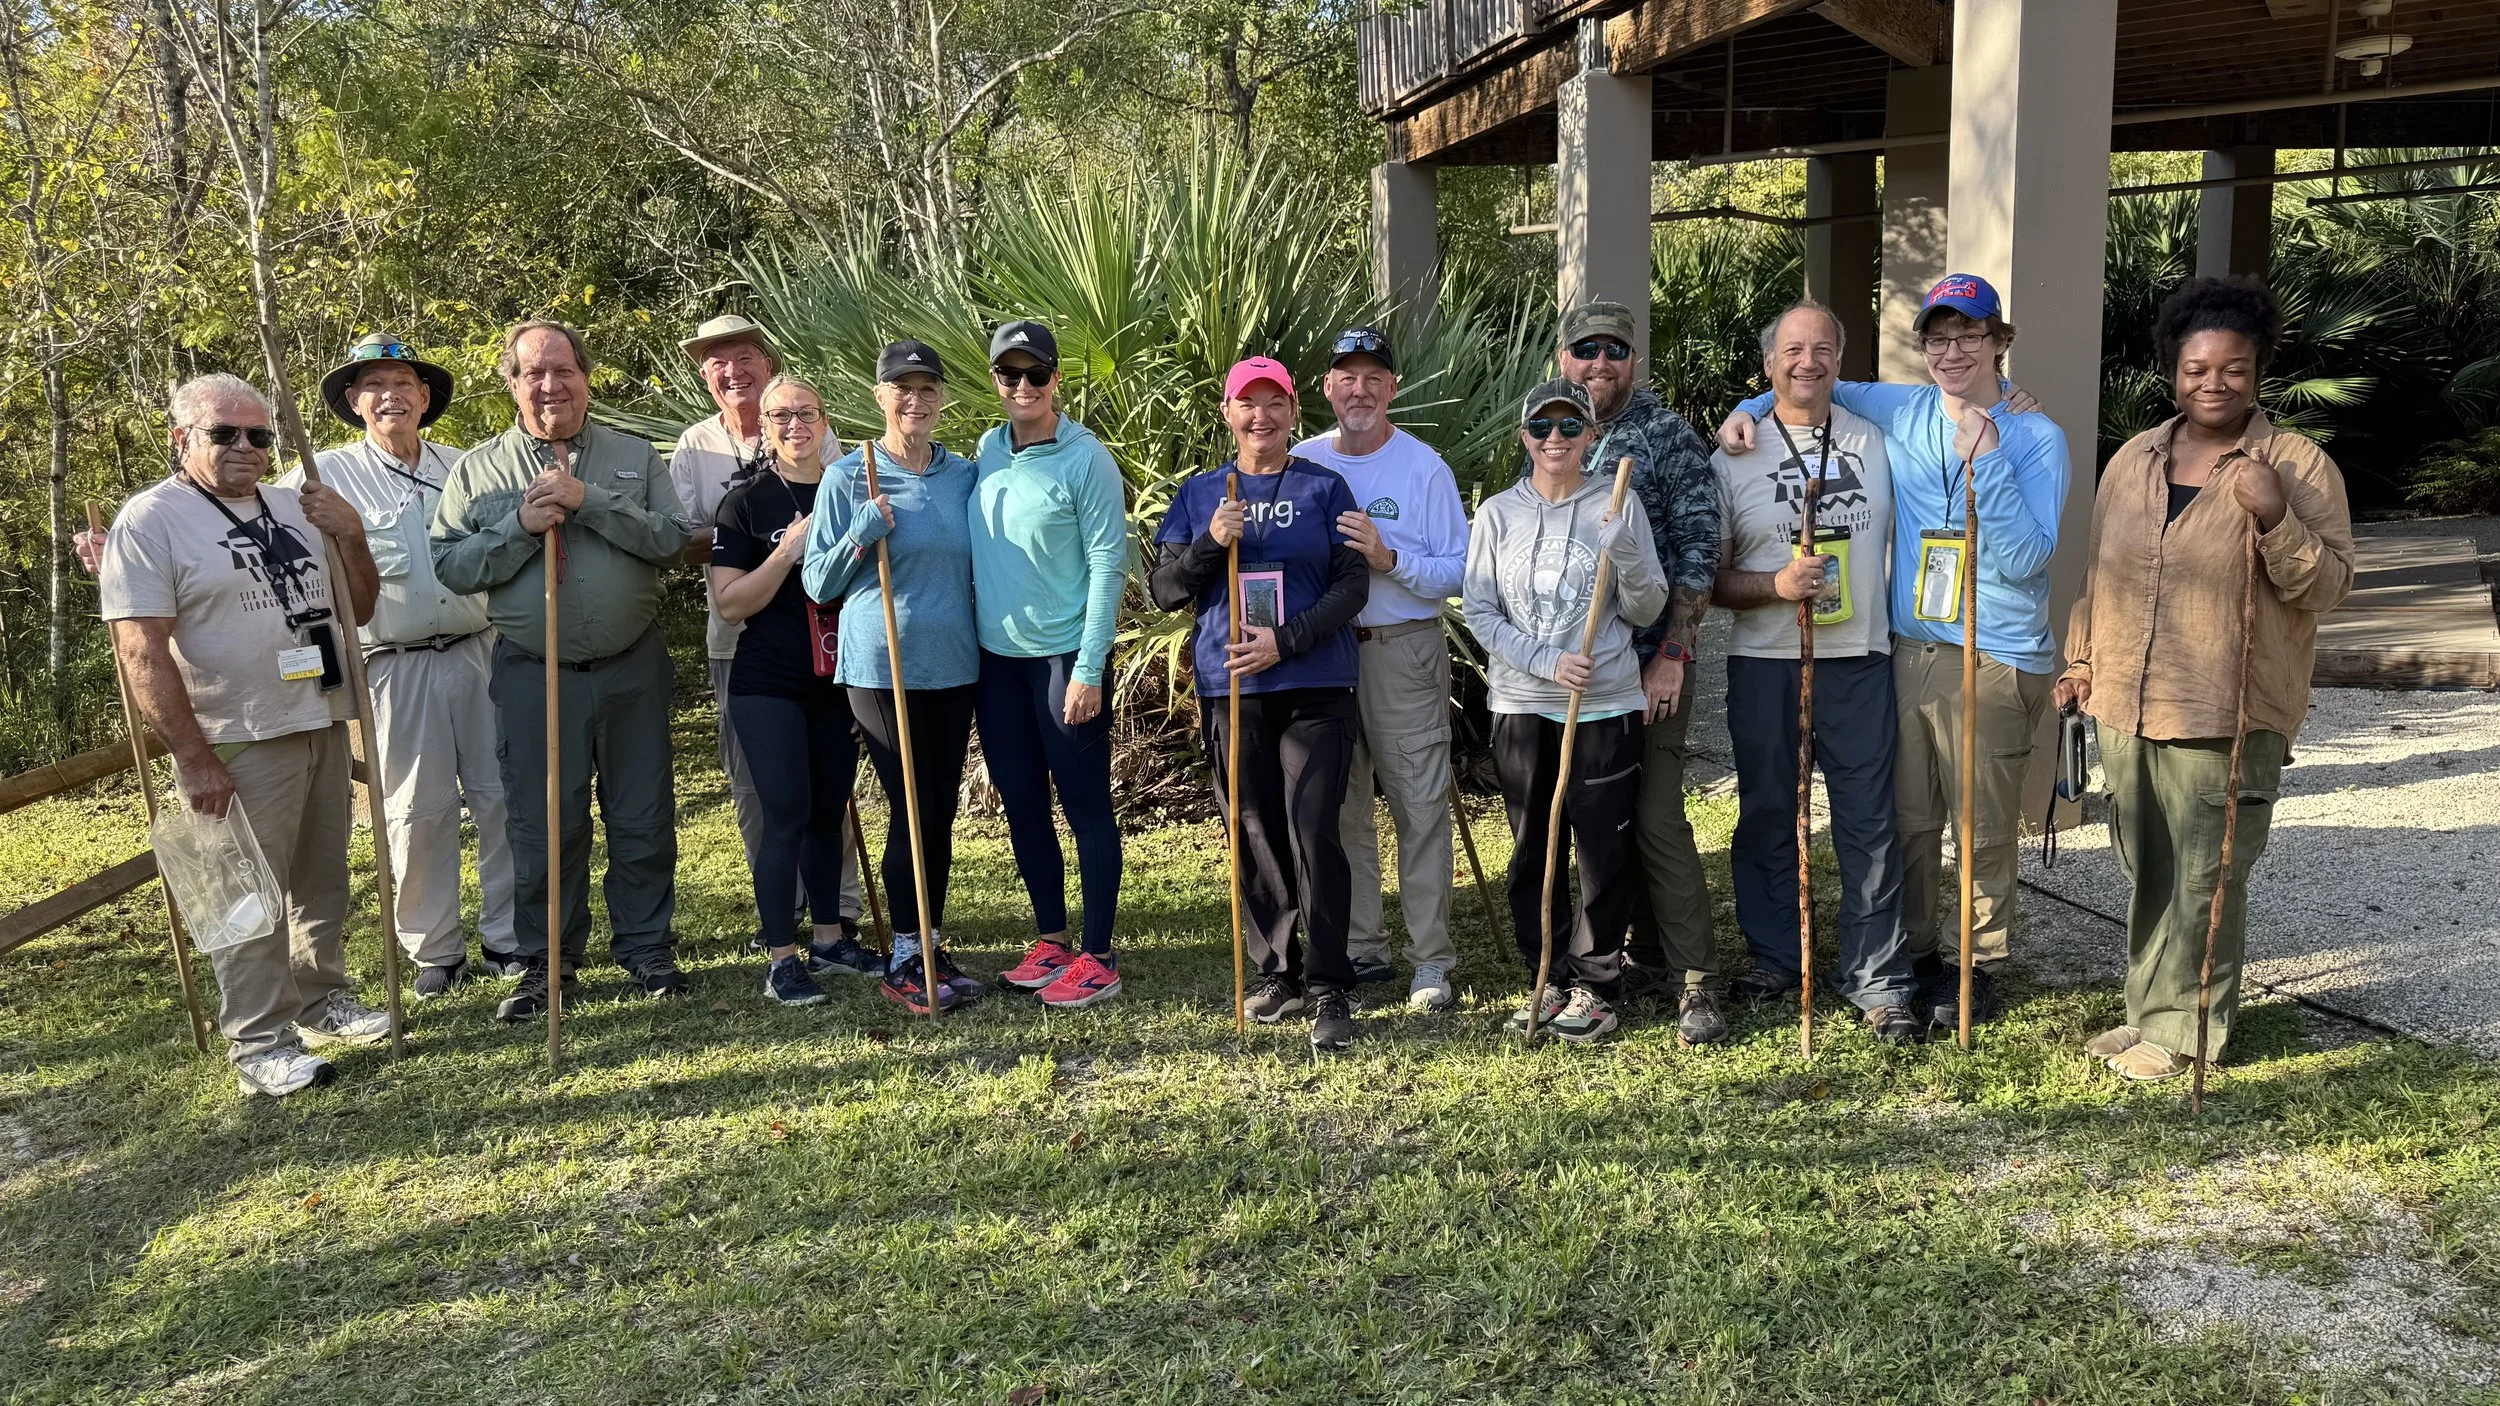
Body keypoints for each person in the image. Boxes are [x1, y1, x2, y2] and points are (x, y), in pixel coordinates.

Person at [1718, 274, 2069, 1033]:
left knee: (1978, 823)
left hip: (1993, 651)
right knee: (1908, 819)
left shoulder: (2035, 436)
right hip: (1911, 648)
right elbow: (1801, 385)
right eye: (1939, 338)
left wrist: (1989, 460)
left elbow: (2027, 559)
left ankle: (1973, 965)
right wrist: (1743, 410)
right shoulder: (1901, 409)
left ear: (1999, 342)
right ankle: (1914, 954)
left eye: (1970, 335)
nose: (1954, 351)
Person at [2059, 277, 2353, 1081]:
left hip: (2225, 709)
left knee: (2207, 877)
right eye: (2196, 369)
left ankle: (2187, 1033)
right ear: (2172, 370)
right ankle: (2148, 1011)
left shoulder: (2296, 465)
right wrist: (2083, 661)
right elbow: (2099, 574)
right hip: (2127, 702)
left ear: (2258, 371)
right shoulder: (2133, 459)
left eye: (2233, 368)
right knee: (2148, 867)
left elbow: (2328, 587)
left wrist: (2275, 515)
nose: (2213, 383)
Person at [99, 373, 389, 1097]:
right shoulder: (151, 521)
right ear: (182, 438)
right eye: (223, 433)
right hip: (236, 737)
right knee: (246, 894)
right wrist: (192, 757)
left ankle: (322, 999)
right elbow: (140, 648)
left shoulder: (297, 505)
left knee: (321, 879)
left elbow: (356, 609)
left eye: (259, 434)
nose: (245, 446)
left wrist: (351, 533)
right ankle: (260, 1043)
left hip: (319, 715)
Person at [431, 320, 693, 1021]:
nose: (550, 385)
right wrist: (518, 527)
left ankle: (646, 947)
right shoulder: (477, 471)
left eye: (563, 370)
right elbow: (451, 566)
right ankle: (547, 960)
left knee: (641, 814)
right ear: (513, 385)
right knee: (545, 822)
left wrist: (591, 503)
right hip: (533, 671)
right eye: (533, 373)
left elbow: (673, 541)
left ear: (585, 377)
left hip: (632, 665)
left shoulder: (634, 456)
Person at [1711, 302, 1923, 1044]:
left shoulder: (1877, 440)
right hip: (1766, 662)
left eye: (1824, 348)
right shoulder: (1733, 454)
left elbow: (1952, 405)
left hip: (1858, 660)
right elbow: (1711, 581)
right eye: (1793, 350)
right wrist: (1775, 585)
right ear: (1769, 364)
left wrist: (2013, 396)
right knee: (1769, 814)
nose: (1809, 361)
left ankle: (1878, 977)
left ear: (1841, 358)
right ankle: (1776, 956)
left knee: (1869, 820)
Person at [285, 334, 520, 997]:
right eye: (374, 385)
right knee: (417, 812)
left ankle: (508, 938)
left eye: (403, 383)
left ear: (424, 397)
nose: (391, 395)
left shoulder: (467, 466)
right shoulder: (320, 477)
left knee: (503, 798)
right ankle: (434, 949)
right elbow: (257, 537)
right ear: (354, 402)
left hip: (483, 651)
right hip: (394, 664)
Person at [1148, 357, 1368, 1052]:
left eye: (1275, 403)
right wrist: (1210, 544)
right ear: (1228, 413)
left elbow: (1353, 586)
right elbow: (1165, 590)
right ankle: (1279, 971)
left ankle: (1329, 984)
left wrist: (1286, 640)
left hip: (1315, 685)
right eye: (1248, 403)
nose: (1261, 416)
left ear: (1294, 412)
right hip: (1233, 688)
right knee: (1253, 829)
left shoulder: (1324, 487)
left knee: (1313, 829)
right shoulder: (1200, 494)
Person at [1544, 300, 1726, 1045]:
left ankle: (1696, 980)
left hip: (1648, 665)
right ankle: (1639, 955)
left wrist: (1673, 654)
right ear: (1564, 358)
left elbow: (1700, 548)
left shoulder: (1666, 437)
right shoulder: (1550, 425)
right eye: (1586, 349)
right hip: (1576, 670)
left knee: (1654, 816)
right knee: (1602, 818)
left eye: (1614, 350)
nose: (1600, 363)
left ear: (1633, 360)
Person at [1464, 378, 1668, 1046]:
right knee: (1534, 845)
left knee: (1603, 847)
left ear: (1591, 435)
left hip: (1604, 703)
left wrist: (1626, 550)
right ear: (1524, 437)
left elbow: (1647, 607)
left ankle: (1596, 982)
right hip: (1523, 703)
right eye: (1543, 427)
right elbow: (1481, 612)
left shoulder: (1618, 500)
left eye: (1571, 426)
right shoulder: (1498, 515)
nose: (1556, 438)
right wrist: (1547, 662)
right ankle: (1545, 973)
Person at [800, 340, 985, 1016]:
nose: (915, 400)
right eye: (901, 389)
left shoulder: (963, 475)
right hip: (882, 668)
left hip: (953, 664)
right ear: (880, 397)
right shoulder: (850, 476)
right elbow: (817, 583)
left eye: (927, 388)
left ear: (942, 398)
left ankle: (928, 941)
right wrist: (860, 532)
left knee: (939, 808)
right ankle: (906, 952)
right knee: (914, 805)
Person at [666, 315, 862, 947]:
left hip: (832, 651)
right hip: (749, 646)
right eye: (717, 361)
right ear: (705, 374)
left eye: (744, 356)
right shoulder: (697, 448)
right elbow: (683, 540)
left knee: (828, 798)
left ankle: (836, 917)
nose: (732, 371)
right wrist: (758, 542)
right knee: (767, 794)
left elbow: (848, 527)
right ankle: (780, 925)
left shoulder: (832, 458)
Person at [1290, 327, 1470, 1012]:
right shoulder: (1304, 461)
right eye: (1347, 377)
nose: (1359, 390)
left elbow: (1459, 571)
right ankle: (1363, 948)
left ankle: (1431, 961)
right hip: (1323, 654)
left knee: (1418, 805)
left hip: (1402, 650)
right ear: (1328, 388)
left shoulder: (1423, 468)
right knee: (1340, 808)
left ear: (1392, 388)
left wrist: (1389, 558)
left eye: (1373, 377)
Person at [973, 321, 1134, 1010]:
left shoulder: (1086, 458)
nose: (1024, 386)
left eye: (1036, 374)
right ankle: (1052, 941)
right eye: (1010, 375)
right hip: (997, 665)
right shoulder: (987, 450)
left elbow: (1108, 563)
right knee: (1023, 805)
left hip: (1065, 659)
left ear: (1055, 379)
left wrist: (1090, 667)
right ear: (995, 381)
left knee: (1086, 807)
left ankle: (1099, 956)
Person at [710, 374, 876, 1006]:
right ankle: (782, 957)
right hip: (769, 681)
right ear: (767, 425)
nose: (795, 425)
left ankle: (830, 940)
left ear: (825, 420)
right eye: (780, 415)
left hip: (838, 678)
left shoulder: (856, 489)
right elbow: (730, 604)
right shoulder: (745, 502)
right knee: (784, 815)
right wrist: (785, 554)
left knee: (828, 812)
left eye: (806, 412)